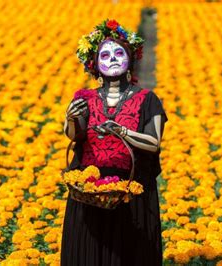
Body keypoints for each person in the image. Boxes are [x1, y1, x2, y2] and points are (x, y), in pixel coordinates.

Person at [60, 19, 168, 266]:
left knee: (131, 254)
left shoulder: (148, 99)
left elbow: (153, 142)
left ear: (130, 59)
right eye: (105, 55)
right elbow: (75, 136)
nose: (112, 59)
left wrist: (122, 131)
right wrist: (71, 118)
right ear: (94, 64)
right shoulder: (84, 98)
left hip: (132, 192)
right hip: (89, 191)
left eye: (119, 53)